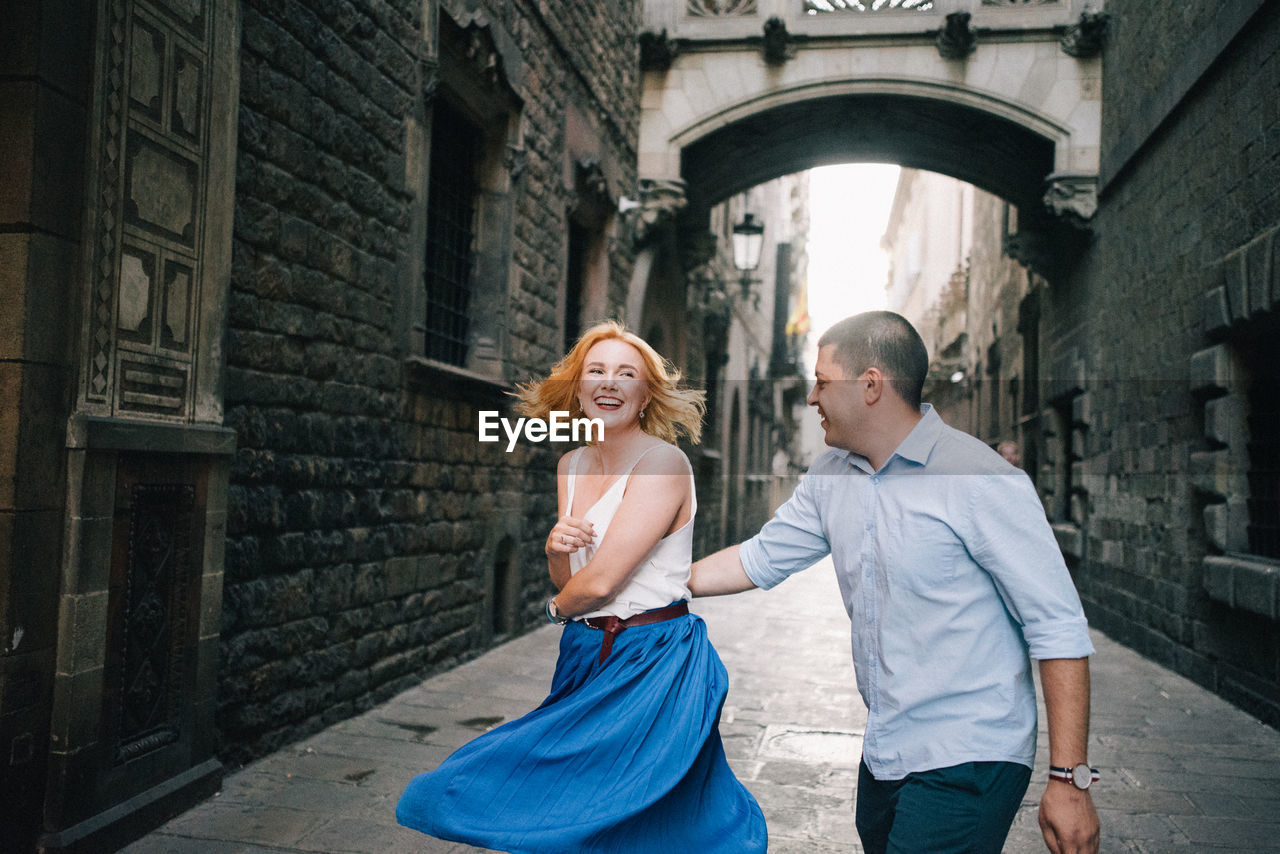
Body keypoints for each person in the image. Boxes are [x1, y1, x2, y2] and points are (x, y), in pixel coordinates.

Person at [690, 311, 1099, 854]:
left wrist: (1069, 780)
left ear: (871, 385)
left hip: (970, 754)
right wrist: (647, 583)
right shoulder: (831, 476)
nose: (812, 397)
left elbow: (1058, 626)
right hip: (884, 752)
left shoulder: (981, 479)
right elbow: (758, 558)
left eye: (822, 381)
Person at [396, 320, 767, 854]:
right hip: (586, 650)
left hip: (651, 657)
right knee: (572, 800)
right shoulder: (570, 464)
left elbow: (599, 584)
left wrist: (552, 610)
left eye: (626, 374)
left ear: (645, 395)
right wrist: (553, 551)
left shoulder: (662, 464)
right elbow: (573, 578)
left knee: (638, 813)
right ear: (578, 388)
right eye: (596, 371)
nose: (608, 383)